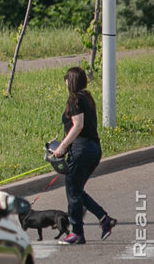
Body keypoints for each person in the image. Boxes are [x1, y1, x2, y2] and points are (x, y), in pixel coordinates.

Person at [51, 67, 117, 245]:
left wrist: (63, 147)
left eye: (66, 80)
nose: (64, 83)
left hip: (81, 151)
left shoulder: (74, 99)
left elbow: (78, 125)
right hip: (93, 149)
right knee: (77, 190)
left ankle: (77, 233)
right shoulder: (87, 98)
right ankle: (104, 219)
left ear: (70, 82)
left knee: (73, 191)